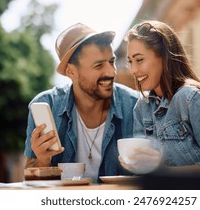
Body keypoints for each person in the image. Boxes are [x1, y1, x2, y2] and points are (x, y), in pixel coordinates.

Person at [122, 20, 200, 178]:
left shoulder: (190, 98)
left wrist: (165, 172)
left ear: (164, 57)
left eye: (139, 60)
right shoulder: (143, 107)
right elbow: (148, 175)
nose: (133, 70)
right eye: (130, 62)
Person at [24, 23, 139, 182]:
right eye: (98, 65)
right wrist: (43, 160)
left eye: (111, 62)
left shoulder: (134, 105)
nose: (111, 72)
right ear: (71, 72)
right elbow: (30, 181)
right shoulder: (47, 105)